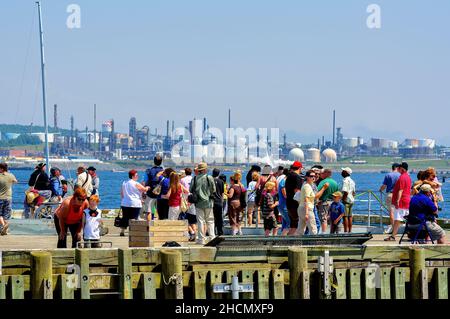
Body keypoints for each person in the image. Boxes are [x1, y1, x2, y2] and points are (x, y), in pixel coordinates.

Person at [384, 162, 412, 241]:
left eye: (399, 168)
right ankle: (411, 234)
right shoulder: (408, 177)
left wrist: (397, 200)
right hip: (407, 200)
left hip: (402, 201)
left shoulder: (402, 177)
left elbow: (400, 190)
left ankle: (393, 236)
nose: (398, 170)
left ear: (402, 169)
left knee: (397, 219)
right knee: (408, 219)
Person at [190, 162, 216, 244]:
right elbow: (213, 190)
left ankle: (201, 239)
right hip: (208, 202)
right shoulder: (209, 177)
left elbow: (191, 190)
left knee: (200, 221)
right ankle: (212, 237)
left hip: (198, 203)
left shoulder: (194, 179)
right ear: (205, 170)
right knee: (210, 220)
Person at [120, 170, 150, 236]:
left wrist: (123, 200)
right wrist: (147, 187)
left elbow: (122, 193)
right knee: (134, 218)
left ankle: (122, 231)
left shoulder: (124, 182)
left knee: (125, 217)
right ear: (133, 176)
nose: (137, 176)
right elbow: (144, 189)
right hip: (134, 203)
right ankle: (133, 232)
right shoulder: (135, 183)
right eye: (136, 175)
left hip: (125, 203)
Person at [295, 170, 320, 236]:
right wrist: (306, 213)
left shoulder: (307, 185)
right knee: (313, 228)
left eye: (314, 176)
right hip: (307, 209)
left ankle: (297, 244)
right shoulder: (307, 186)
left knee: (300, 229)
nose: (313, 177)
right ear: (307, 177)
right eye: (311, 176)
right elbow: (307, 199)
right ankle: (314, 244)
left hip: (301, 208)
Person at [379, 163, 401, 234]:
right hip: (399, 195)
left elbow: (384, 186)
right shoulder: (400, 175)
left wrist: (380, 189)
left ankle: (393, 228)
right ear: (397, 168)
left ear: (393, 168)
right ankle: (397, 228)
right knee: (398, 212)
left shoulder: (388, 175)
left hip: (390, 194)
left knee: (391, 212)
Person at [285, 161, 304, 235]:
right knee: (297, 224)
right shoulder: (297, 177)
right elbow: (297, 191)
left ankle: (288, 239)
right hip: (295, 204)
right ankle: (292, 241)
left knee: (293, 224)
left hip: (289, 202)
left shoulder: (288, 176)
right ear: (300, 168)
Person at [317, 169, 339, 233]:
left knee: (324, 218)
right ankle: (333, 232)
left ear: (326, 174)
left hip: (324, 202)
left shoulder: (323, 182)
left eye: (322, 173)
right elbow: (337, 193)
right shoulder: (335, 182)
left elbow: (317, 191)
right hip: (333, 202)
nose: (321, 175)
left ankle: (323, 233)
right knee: (333, 218)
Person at [142, 155, 164, 220]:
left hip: (150, 193)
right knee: (160, 211)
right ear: (161, 162)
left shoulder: (148, 171)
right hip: (160, 194)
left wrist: (143, 192)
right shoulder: (164, 171)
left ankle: (149, 227)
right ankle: (159, 227)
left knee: (148, 211)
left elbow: (144, 182)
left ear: (154, 161)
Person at [0, 163, 17, 236]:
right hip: (8, 198)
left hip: (0, 198)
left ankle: (3, 226)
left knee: (0, 214)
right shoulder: (11, 175)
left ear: (2, 169)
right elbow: (15, 181)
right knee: (6, 215)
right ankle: (5, 229)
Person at [341, 167, 356, 233]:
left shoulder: (345, 180)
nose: (341, 172)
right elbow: (353, 192)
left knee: (345, 216)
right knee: (350, 216)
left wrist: (343, 199)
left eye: (343, 171)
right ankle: (350, 231)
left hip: (346, 200)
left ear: (346, 172)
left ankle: (345, 231)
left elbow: (345, 191)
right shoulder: (352, 181)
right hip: (351, 200)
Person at [212, 168, 225, 235]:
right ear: (218, 173)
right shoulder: (221, 181)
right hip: (219, 201)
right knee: (219, 217)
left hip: (212, 201)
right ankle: (220, 231)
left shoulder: (211, 181)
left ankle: (212, 231)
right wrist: (222, 201)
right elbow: (222, 193)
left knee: (212, 217)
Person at [277, 168, 290, 236]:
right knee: (289, 223)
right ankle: (283, 238)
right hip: (284, 205)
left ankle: (283, 236)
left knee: (284, 222)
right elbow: (285, 195)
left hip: (282, 204)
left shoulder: (282, 180)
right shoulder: (284, 181)